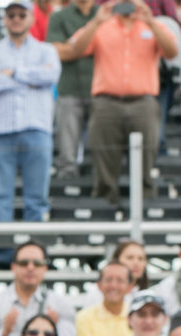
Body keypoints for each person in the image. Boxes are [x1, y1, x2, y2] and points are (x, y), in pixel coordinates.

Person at [69, 0, 177, 206]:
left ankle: (145, 204)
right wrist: (96, 22)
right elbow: (76, 49)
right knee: (104, 157)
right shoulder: (102, 24)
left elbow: (172, 52)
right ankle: (105, 207)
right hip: (106, 102)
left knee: (146, 156)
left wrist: (151, 23)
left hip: (143, 103)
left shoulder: (152, 24)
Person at [0, 0, 60, 257]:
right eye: (11, 14)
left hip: (36, 129)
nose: (15, 18)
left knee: (36, 198)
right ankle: (2, 255)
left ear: (31, 18)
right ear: (4, 18)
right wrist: (29, 76)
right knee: (0, 198)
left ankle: (34, 256)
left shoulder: (47, 50)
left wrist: (12, 72)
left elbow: (50, 76)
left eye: (20, 14)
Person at [0, 241, 77, 336]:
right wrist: (4, 332)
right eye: (24, 263)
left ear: (45, 268)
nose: (30, 267)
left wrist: (54, 331)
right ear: (13, 267)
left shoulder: (60, 305)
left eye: (37, 263)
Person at [46, 0, 97, 179]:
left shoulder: (105, 16)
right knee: (67, 157)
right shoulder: (59, 17)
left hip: (99, 90)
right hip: (69, 88)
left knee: (100, 152)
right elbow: (57, 53)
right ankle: (67, 187)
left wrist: (72, 45)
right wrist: (89, 46)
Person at [76, 261, 132, 336]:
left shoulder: (138, 317)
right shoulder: (84, 317)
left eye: (120, 280)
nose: (113, 285)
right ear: (99, 285)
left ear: (129, 287)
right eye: (108, 280)